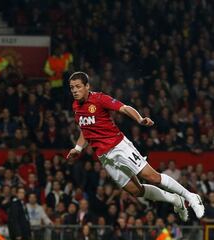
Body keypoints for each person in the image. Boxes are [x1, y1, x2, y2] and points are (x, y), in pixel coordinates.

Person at [66, 72, 204, 222]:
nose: (74, 90)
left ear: (87, 86)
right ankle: (175, 200)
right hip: (105, 157)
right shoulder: (75, 106)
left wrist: (139, 119)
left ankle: (190, 196)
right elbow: (86, 131)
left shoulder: (99, 98)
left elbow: (124, 108)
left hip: (119, 147)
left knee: (152, 177)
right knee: (136, 191)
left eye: (78, 86)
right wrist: (78, 149)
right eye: (72, 87)